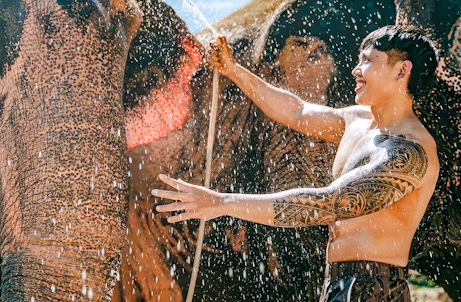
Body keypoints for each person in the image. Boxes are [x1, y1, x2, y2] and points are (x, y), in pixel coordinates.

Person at [152, 25, 440, 302]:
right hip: (341, 281)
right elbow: (295, 111)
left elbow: (330, 204)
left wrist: (221, 203)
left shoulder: (409, 149)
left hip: (372, 286)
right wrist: (233, 69)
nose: (355, 70)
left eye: (368, 61)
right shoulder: (358, 122)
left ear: (403, 70)